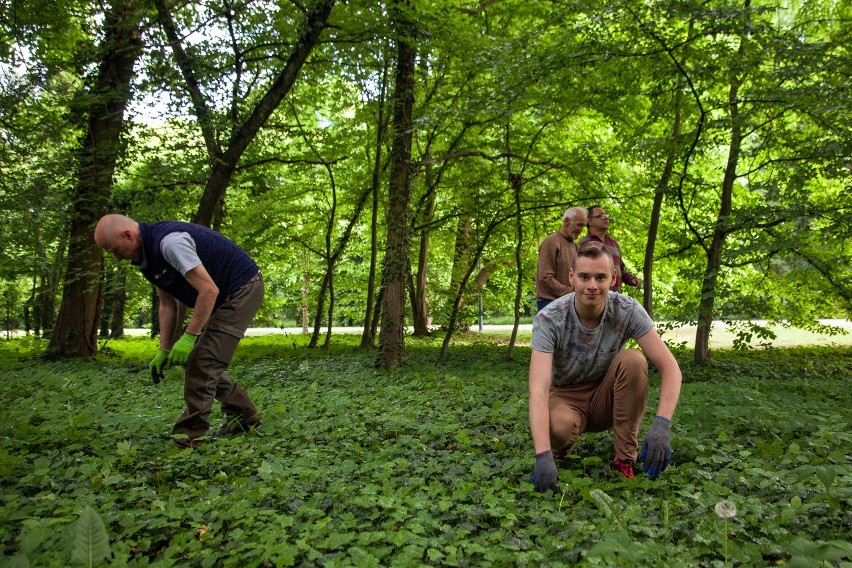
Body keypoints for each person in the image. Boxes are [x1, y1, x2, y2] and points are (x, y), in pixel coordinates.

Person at [94, 214, 264, 448]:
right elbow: (167, 304)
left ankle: (189, 439)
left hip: (242, 288)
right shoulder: (147, 258)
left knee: (204, 361)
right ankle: (244, 416)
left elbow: (208, 290)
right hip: (220, 295)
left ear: (128, 235)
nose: (116, 257)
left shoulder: (170, 243)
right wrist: (164, 348)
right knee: (198, 361)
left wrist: (188, 338)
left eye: (114, 250)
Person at [529, 241, 682, 491]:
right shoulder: (549, 319)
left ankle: (624, 459)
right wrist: (542, 455)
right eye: (584, 277)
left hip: (607, 394)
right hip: (565, 397)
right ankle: (559, 448)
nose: (592, 285)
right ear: (572, 278)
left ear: (612, 279)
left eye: (600, 277)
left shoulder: (626, 309)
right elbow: (538, 389)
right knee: (557, 426)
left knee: (633, 359)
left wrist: (662, 424)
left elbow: (670, 367)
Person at [535, 206, 589, 311]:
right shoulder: (552, 242)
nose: (581, 230)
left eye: (584, 226)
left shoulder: (575, 246)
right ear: (567, 221)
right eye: (579, 225)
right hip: (550, 304)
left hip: (569, 302)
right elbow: (545, 278)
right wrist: (571, 292)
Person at [579, 205, 642, 294]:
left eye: (606, 215)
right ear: (589, 221)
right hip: (593, 297)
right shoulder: (584, 244)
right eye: (601, 216)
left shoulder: (614, 244)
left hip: (615, 299)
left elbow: (620, 269)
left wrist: (632, 279)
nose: (605, 218)